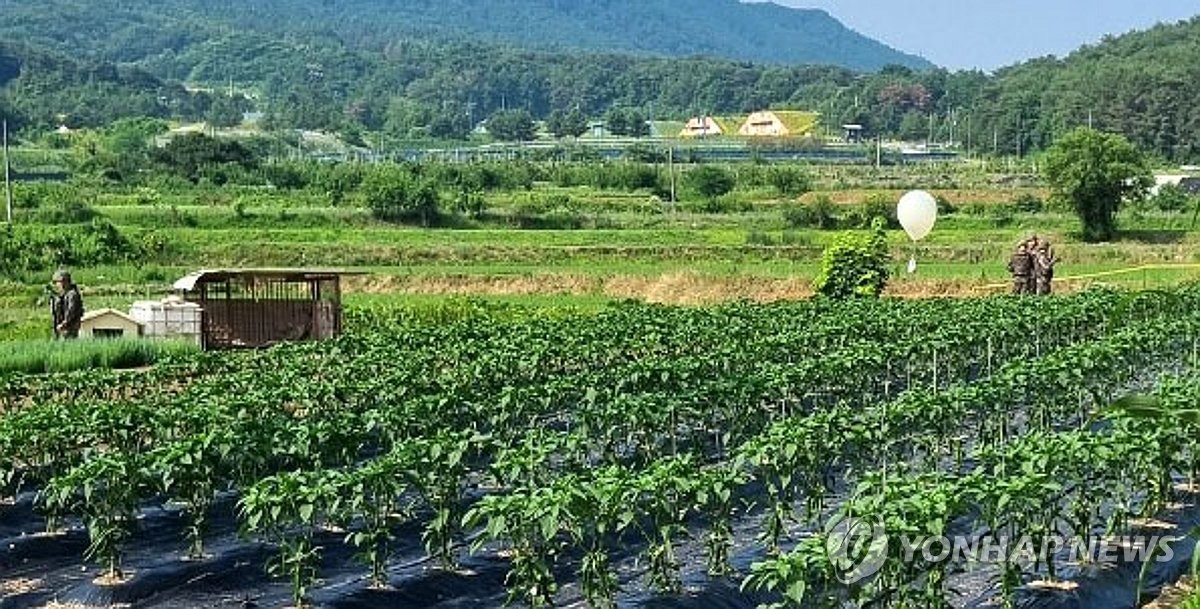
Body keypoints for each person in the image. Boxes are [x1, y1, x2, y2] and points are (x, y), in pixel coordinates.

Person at [50, 270, 84, 339]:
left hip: (69, 328)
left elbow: (71, 311)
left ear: (64, 282)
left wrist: (64, 324)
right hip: (62, 327)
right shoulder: (61, 295)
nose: (57, 285)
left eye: (58, 282)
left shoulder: (72, 295)